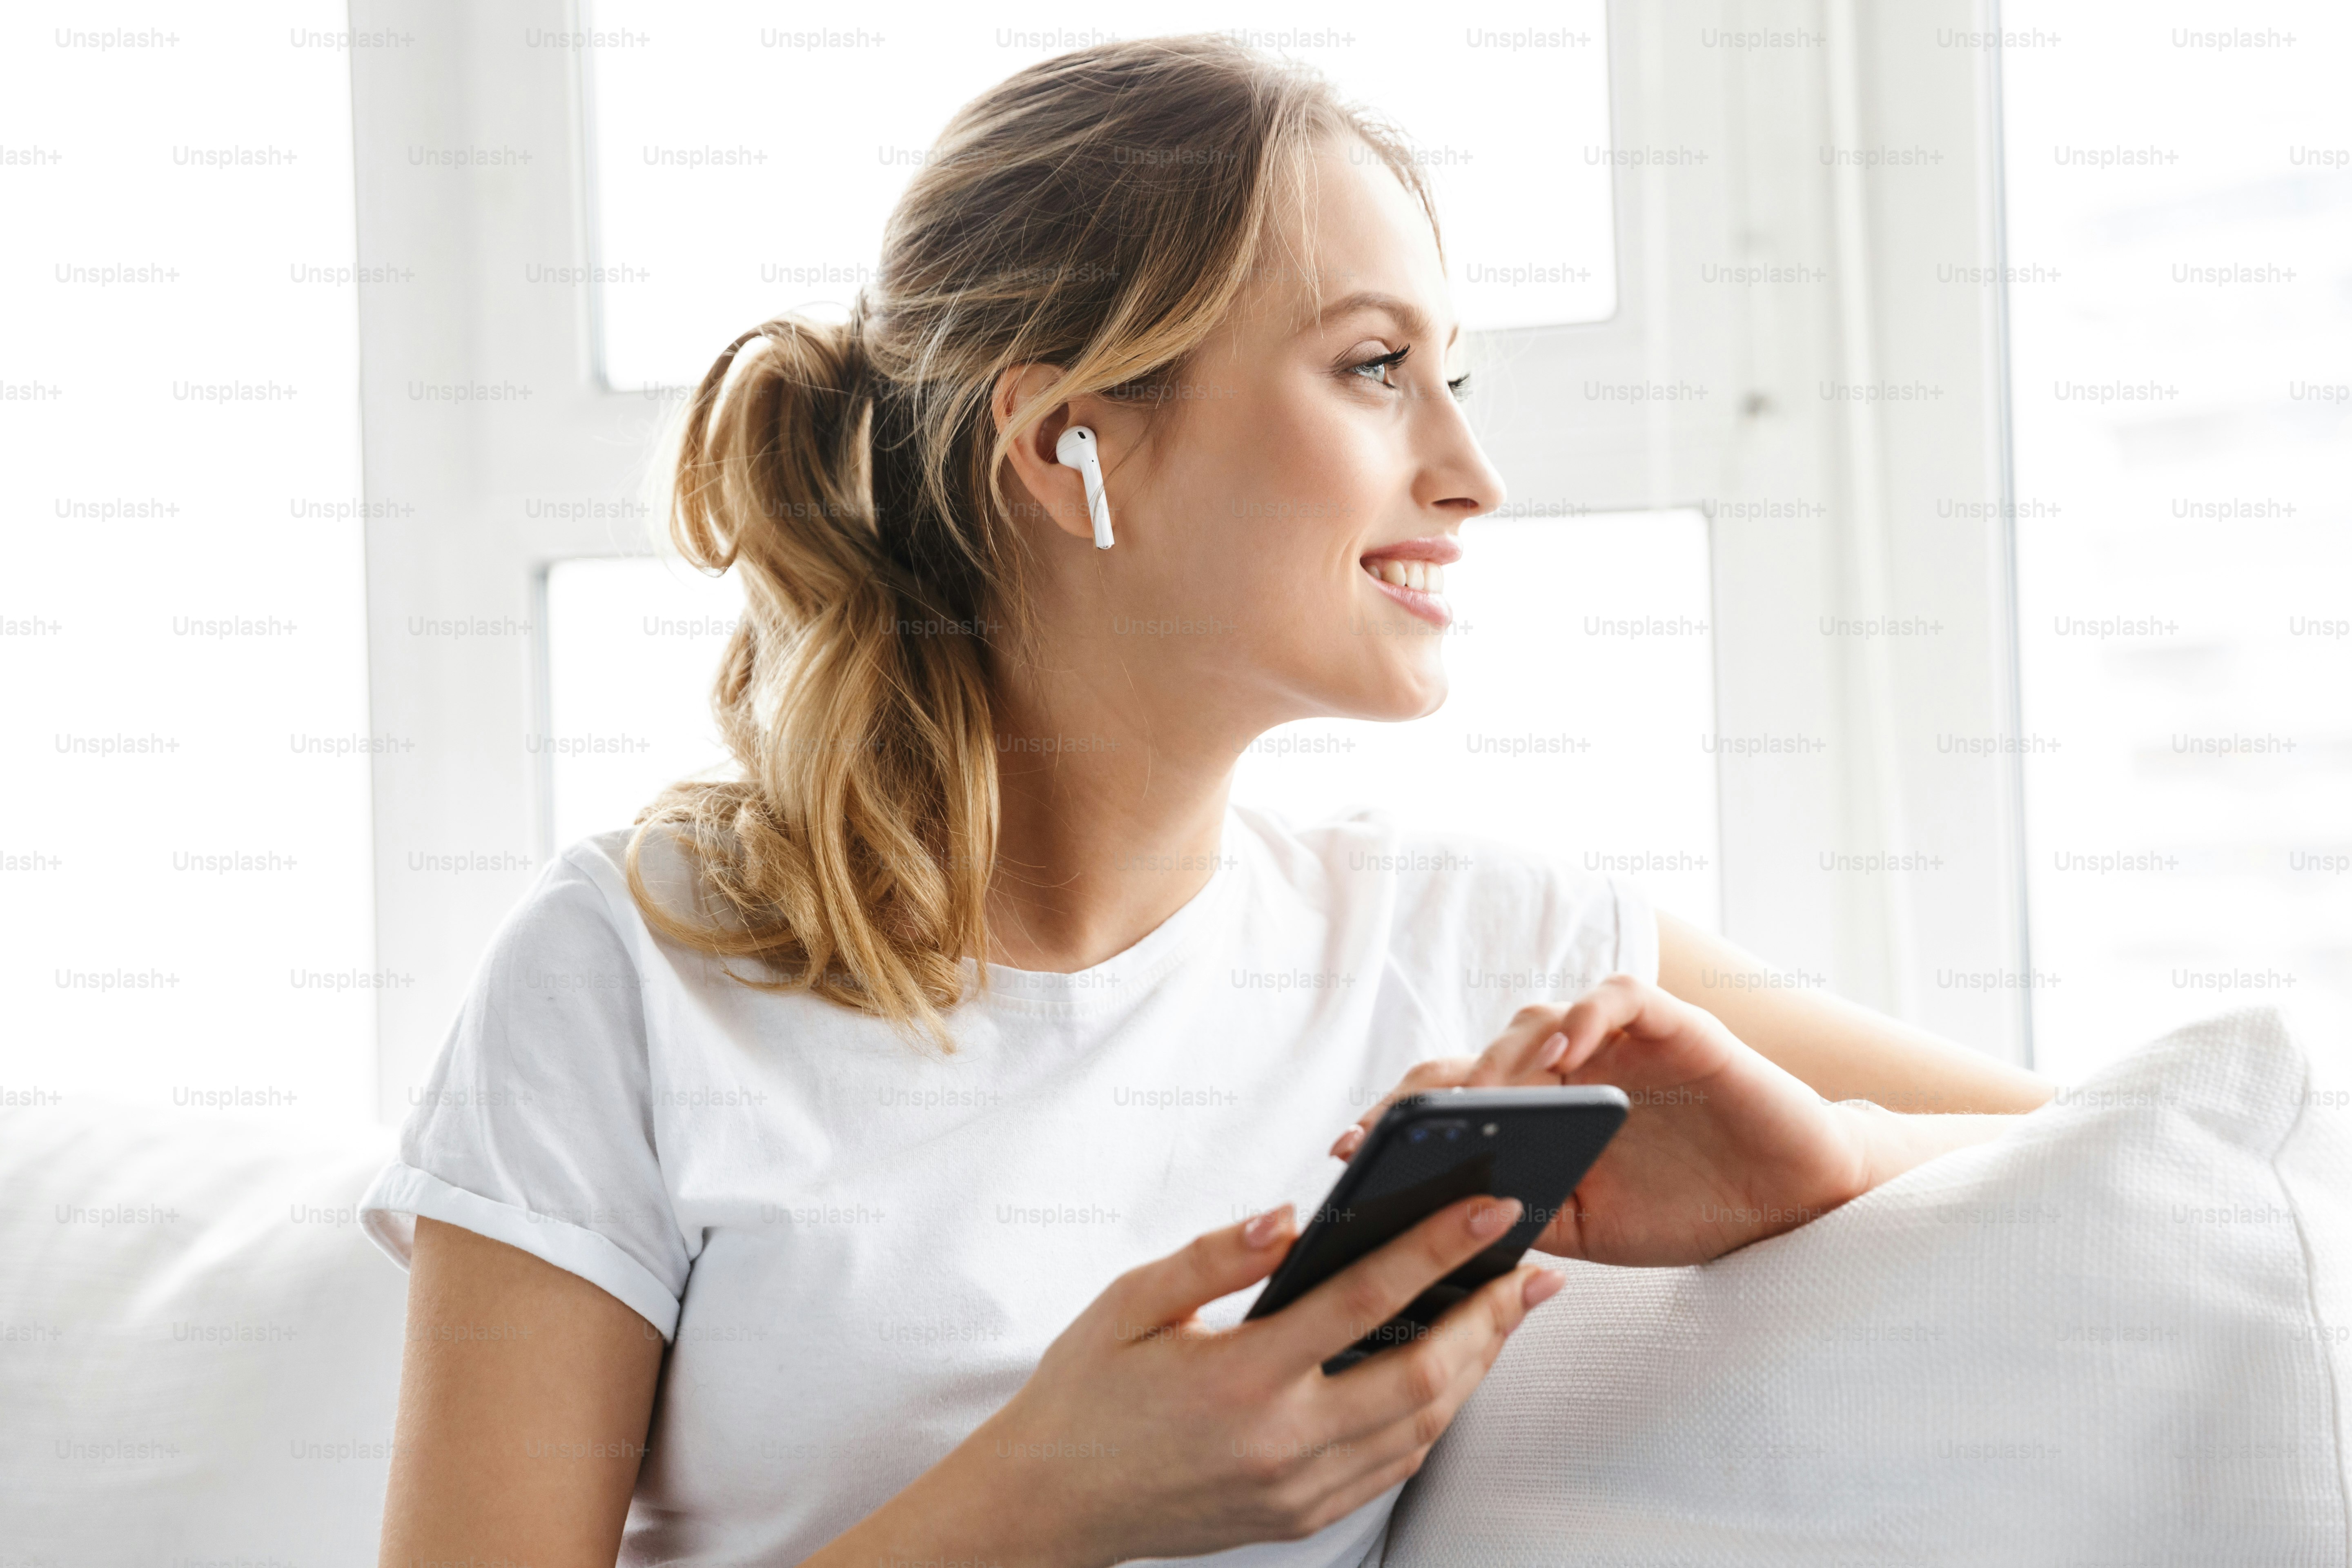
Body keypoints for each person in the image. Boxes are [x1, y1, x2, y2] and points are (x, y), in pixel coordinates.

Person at [363, 35, 2051, 1568]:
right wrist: (1046, 1500)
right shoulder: (634, 971)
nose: (1473, 475)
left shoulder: (1487, 952)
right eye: (1375, 366)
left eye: (1455, 376)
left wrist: (1840, 1158)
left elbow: (2123, 1148)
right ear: (1068, 447)